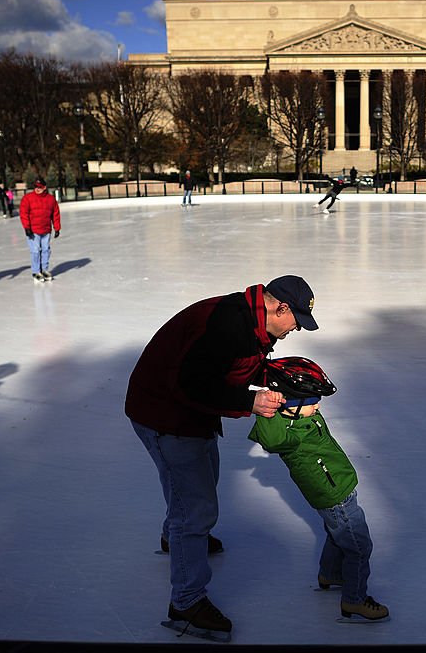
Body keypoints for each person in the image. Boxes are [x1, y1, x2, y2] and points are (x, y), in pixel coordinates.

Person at [125, 274, 319, 641]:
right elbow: (188, 383)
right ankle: (186, 602)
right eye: (297, 321)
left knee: (199, 481)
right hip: (165, 414)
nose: (298, 330)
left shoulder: (252, 322)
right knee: (196, 509)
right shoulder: (227, 323)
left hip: (184, 412)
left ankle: (175, 538)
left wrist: (281, 379)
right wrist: (249, 402)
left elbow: (232, 367)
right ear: (279, 307)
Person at [248, 356, 390, 623]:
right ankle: (355, 600)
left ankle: (330, 573)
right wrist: (267, 406)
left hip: (340, 487)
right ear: (289, 406)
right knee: (359, 548)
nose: (318, 406)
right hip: (334, 497)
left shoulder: (303, 415)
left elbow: (300, 398)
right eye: (312, 401)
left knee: (336, 534)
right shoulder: (286, 435)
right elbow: (270, 437)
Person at [19, 179, 61, 282]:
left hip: (46, 230)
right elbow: (23, 214)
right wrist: (27, 228)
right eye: (36, 186)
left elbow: (55, 214)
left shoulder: (51, 200)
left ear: (44, 187)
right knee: (35, 251)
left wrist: (57, 228)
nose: (37, 189)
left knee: (46, 250)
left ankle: (44, 270)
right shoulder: (27, 198)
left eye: (39, 187)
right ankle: (36, 271)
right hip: (33, 230)